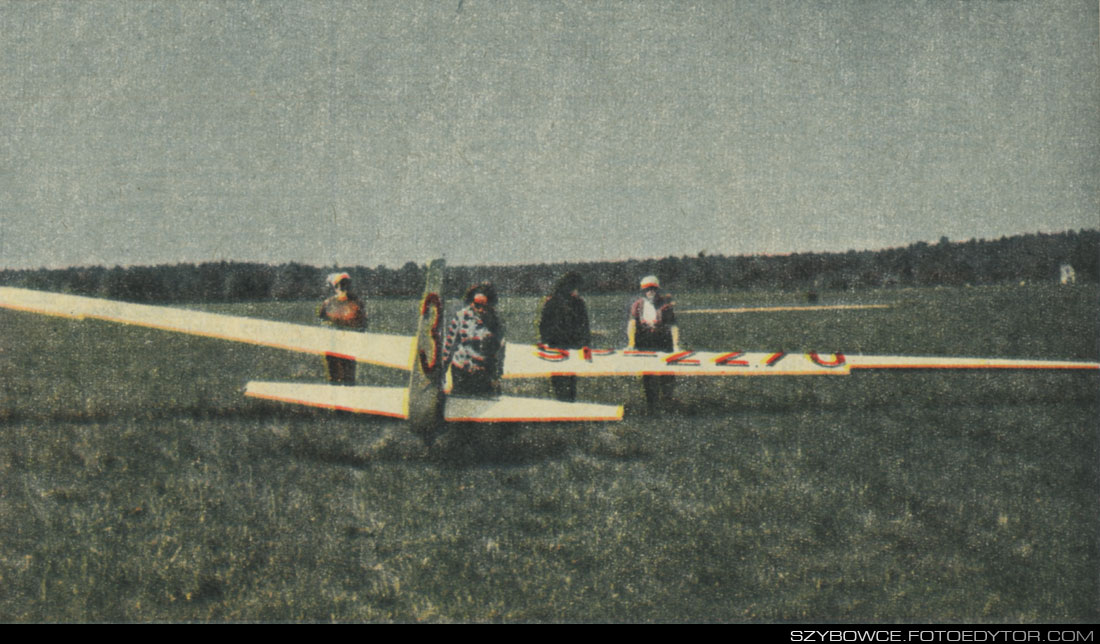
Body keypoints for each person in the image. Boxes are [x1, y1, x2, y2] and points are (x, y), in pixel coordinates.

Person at [443, 282, 505, 397]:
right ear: (471, 302)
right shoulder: (461, 316)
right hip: (460, 372)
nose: (480, 310)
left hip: (483, 374)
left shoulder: (496, 321)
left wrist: (497, 377)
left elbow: (500, 351)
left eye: (485, 306)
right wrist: (442, 373)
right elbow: (449, 345)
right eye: (477, 305)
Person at [627, 275, 679, 411]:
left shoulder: (665, 305)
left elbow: (673, 325)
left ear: (657, 290)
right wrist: (631, 343)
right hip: (645, 343)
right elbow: (632, 324)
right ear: (642, 291)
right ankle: (651, 403)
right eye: (647, 289)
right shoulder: (637, 305)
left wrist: (676, 344)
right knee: (648, 374)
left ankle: (668, 400)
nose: (650, 292)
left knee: (667, 373)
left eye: (652, 289)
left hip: (663, 342)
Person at [538, 271, 591, 401]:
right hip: (563, 345)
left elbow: (584, 325)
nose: (578, 291)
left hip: (563, 345)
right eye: (576, 288)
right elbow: (544, 324)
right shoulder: (559, 302)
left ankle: (565, 402)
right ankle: (566, 402)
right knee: (565, 378)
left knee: (564, 377)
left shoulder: (554, 301)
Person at [317, 272, 367, 384]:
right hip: (332, 344)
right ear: (335, 287)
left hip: (349, 344)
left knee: (348, 376)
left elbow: (363, 323)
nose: (344, 287)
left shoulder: (357, 303)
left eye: (347, 284)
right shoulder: (328, 303)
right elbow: (322, 321)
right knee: (334, 375)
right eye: (341, 284)